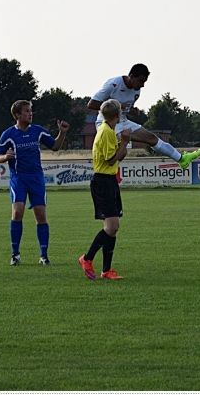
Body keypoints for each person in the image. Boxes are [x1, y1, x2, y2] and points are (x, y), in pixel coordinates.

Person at [87, 64, 200, 169]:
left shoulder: (137, 91)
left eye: (145, 82)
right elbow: (91, 104)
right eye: (141, 81)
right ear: (131, 76)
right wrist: (116, 106)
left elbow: (125, 109)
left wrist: (132, 111)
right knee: (118, 153)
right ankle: (108, 174)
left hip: (122, 121)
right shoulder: (113, 84)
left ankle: (182, 159)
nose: (142, 85)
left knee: (151, 138)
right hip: (107, 122)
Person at [0, 100, 69, 266]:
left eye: (31, 111)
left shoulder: (38, 131)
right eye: (27, 111)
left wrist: (62, 133)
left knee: (41, 215)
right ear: (17, 115)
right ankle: (15, 254)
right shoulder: (8, 134)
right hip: (18, 178)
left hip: (36, 178)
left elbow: (55, 147)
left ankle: (43, 255)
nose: (30, 114)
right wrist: (5, 157)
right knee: (17, 212)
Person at [78, 99, 130, 281]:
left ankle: (107, 270)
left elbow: (119, 157)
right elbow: (110, 160)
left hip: (108, 180)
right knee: (112, 226)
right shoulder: (106, 132)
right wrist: (124, 142)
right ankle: (87, 258)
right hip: (103, 181)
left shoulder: (107, 130)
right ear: (118, 115)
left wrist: (123, 144)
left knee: (112, 228)